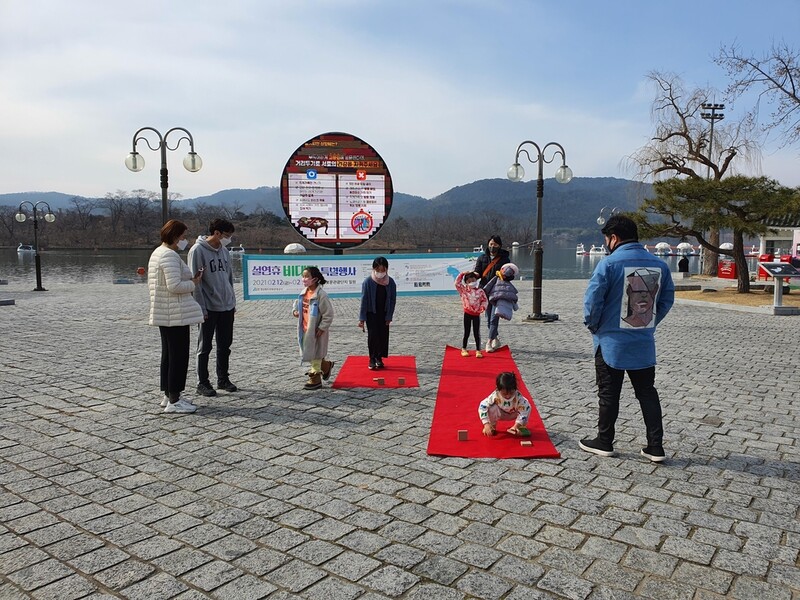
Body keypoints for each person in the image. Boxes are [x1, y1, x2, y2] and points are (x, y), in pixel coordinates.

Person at [581, 215, 675, 462]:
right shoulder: (660, 265)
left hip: (611, 342)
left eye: (606, 239)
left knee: (609, 393)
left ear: (614, 238)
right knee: (647, 392)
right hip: (643, 342)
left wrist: (594, 326)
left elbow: (592, 302)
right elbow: (666, 300)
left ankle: (604, 440)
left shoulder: (608, 264)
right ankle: (655, 446)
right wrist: (648, 322)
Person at [148, 219, 205, 414]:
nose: (184, 240)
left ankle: (169, 395)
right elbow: (174, 286)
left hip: (166, 312)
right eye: (182, 237)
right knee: (178, 357)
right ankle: (174, 399)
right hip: (175, 313)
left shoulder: (158, 253)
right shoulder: (169, 256)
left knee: (169, 356)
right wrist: (194, 283)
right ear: (174, 236)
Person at [188, 218, 238, 397]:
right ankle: (202, 382)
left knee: (225, 345)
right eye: (227, 235)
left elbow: (229, 277)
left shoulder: (224, 250)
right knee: (205, 346)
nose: (229, 239)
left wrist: (232, 301)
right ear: (216, 233)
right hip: (209, 307)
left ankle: (223, 379)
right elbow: (196, 281)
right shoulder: (197, 250)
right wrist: (200, 307)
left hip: (226, 306)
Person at [292, 266, 334, 390]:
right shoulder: (303, 292)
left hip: (316, 330)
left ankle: (315, 378)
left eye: (307, 277)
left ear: (314, 279)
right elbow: (297, 304)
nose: (304, 279)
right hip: (305, 328)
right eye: (303, 276)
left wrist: (322, 328)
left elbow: (328, 314)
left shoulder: (321, 295)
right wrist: (295, 311)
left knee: (315, 354)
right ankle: (326, 366)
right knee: (309, 352)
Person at [358, 256, 397, 370]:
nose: (380, 272)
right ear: (374, 268)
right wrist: (362, 318)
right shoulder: (368, 281)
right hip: (372, 313)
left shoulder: (390, 282)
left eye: (382, 270)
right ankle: (372, 358)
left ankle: (379, 358)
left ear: (386, 269)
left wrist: (389, 315)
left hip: (384, 313)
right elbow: (364, 300)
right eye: (378, 270)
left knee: (383, 336)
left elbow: (392, 300)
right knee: (373, 336)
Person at [474, 236, 510, 349]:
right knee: (488, 316)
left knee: (494, 317)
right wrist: (472, 275)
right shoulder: (482, 258)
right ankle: (495, 338)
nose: (492, 246)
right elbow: (478, 272)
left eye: (494, 244)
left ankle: (489, 342)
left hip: (498, 291)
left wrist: (505, 275)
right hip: (485, 290)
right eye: (490, 244)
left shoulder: (505, 259)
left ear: (499, 245)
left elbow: (510, 275)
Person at [478, 372, 532, 437]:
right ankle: (492, 426)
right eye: (504, 394)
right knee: (491, 408)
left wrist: (516, 426)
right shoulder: (495, 395)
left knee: (527, 407)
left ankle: (520, 427)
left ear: (515, 388)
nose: (508, 396)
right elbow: (482, 406)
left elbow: (524, 411)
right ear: (498, 389)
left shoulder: (519, 397)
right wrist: (486, 424)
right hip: (500, 413)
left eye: (511, 393)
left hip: (515, 413)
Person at [482, 263, 520, 352]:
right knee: (488, 320)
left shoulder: (507, 284)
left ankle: (489, 342)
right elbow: (487, 288)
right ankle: (495, 339)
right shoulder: (495, 278)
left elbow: (511, 295)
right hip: (490, 299)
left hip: (498, 303)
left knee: (493, 321)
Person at [455, 270, 488, 358]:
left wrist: (482, 308)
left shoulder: (480, 291)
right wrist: (462, 274)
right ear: (466, 282)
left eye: (473, 280)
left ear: (476, 280)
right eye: (469, 281)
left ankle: (478, 350)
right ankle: (464, 348)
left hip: (476, 314)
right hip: (467, 313)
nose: (471, 282)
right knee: (467, 332)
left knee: (476, 333)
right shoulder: (463, 290)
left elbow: (484, 300)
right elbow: (457, 283)